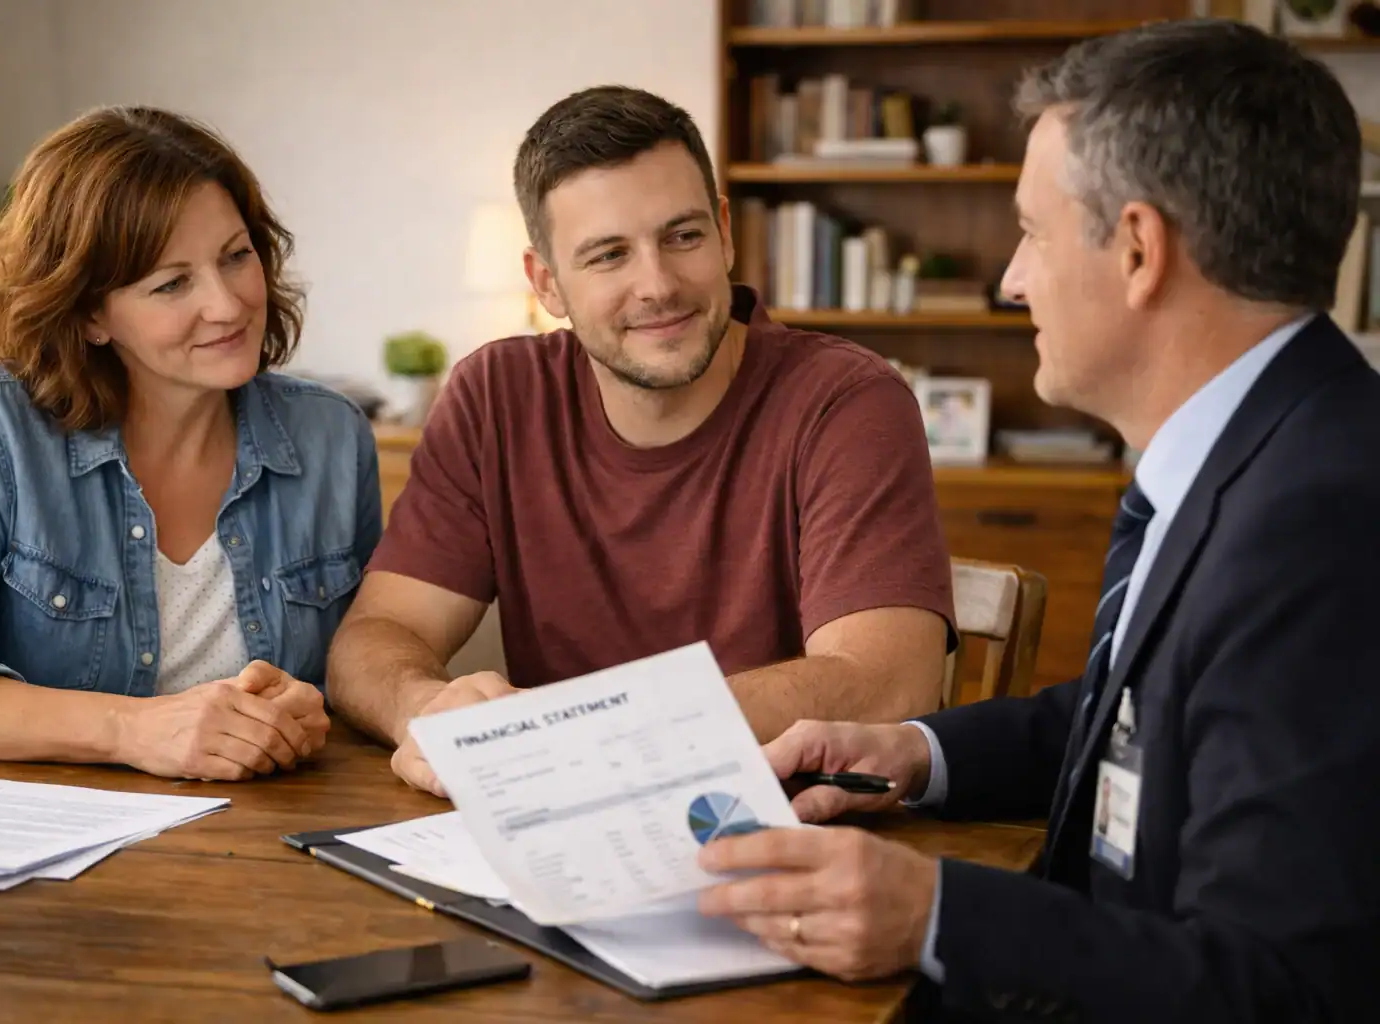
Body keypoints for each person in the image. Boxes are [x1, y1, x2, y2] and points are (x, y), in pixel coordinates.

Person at [694, 20, 1380, 1021]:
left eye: (1031, 231)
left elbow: (1284, 987)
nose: (1011, 279)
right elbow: (1137, 725)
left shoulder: (1322, 521)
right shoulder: (1261, 451)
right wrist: (916, 754)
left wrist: (931, 913)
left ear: (1140, 249)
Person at [326, 85, 956, 796]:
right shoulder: (495, 396)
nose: (657, 285)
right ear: (547, 283)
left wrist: (579, 732)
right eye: (607, 256)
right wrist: (424, 713)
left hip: (788, 837)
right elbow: (372, 639)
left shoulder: (846, 401)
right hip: (559, 830)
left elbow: (887, 686)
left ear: (724, 232)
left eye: (683, 236)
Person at [0, 107, 383, 781]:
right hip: (45, 858)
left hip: (263, 855)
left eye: (236, 256)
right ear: (91, 314)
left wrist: (311, 709)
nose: (228, 303)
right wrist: (131, 730)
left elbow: (361, 667)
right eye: (171, 283)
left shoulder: (331, 436)